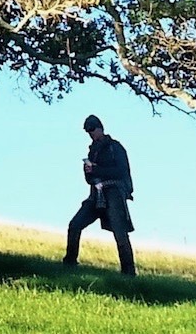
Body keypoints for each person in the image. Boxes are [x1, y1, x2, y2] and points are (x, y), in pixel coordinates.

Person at [64, 114, 136, 275]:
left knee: (120, 233)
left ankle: (129, 272)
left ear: (100, 128)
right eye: (88, 132)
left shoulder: (115, 147)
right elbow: (89, 179)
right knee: (75, 225)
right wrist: (89, 171)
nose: (91, 134)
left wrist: (97, 169)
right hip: (95, 195)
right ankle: (69, 263)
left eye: (92, 130)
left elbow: (121, 171)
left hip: (114, 194)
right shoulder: (92, 151)